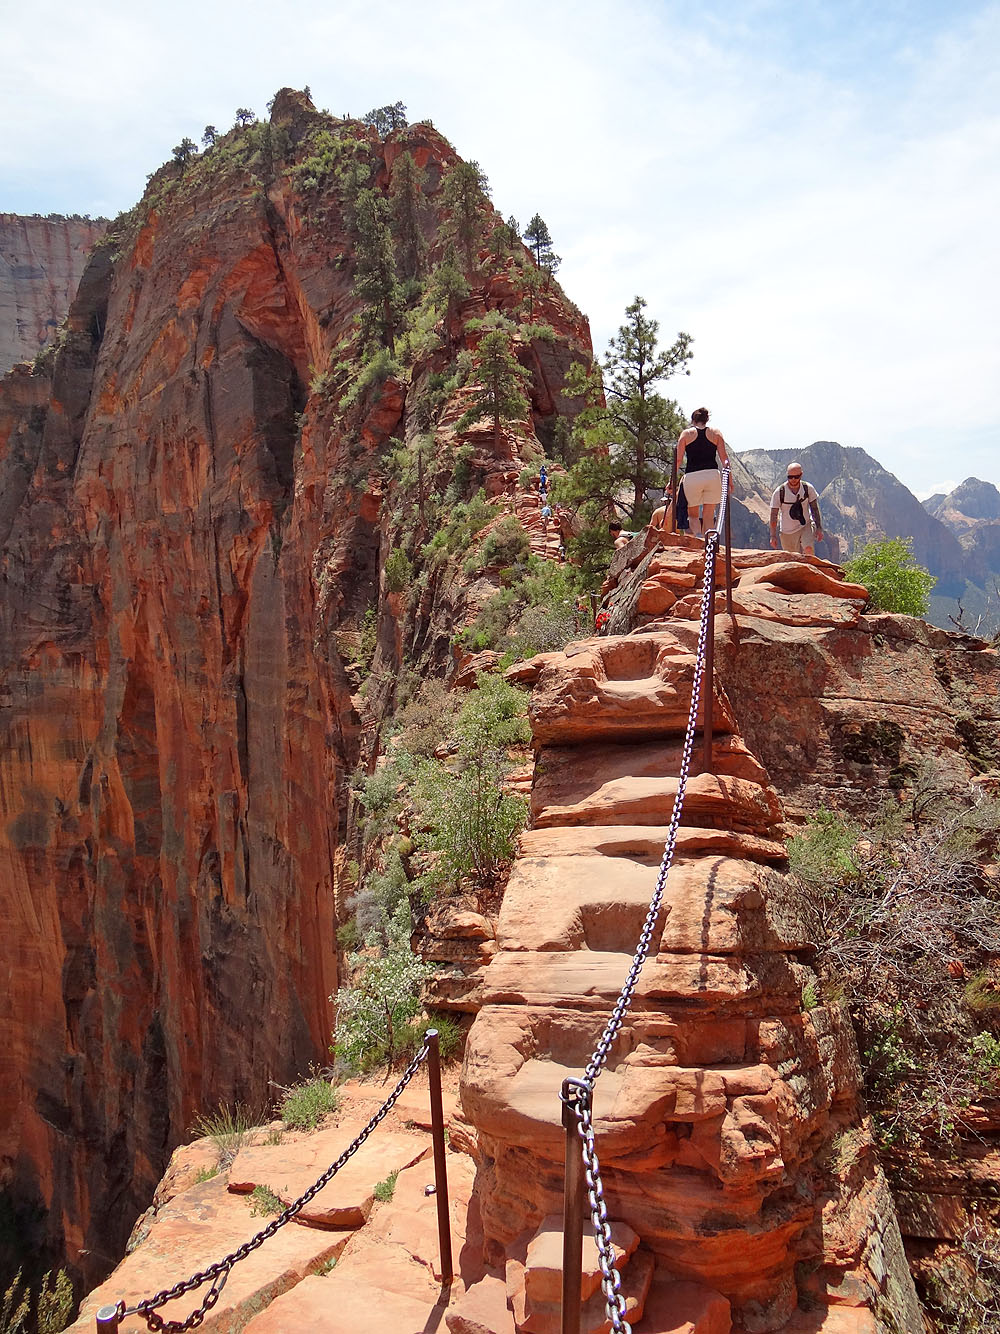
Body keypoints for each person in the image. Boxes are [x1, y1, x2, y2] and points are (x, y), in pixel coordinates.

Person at [675, 407, 728, 538]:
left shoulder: (686, 434)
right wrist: (729, 481)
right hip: (712, 476)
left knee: (693, 514)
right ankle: (708, 544)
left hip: (693, 476)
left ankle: (696, 541)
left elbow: (678, 459)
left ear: (693, 420)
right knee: (709, 515)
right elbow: (724, 459)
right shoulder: (716, 434)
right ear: (707, 419)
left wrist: (671, 482)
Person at [769, 462, 824, 555]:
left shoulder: (808, 488)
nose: (793, 479)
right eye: (790, 477)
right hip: (787, 532)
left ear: (801, 475)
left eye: (796, 477)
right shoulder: (779, 492)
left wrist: (819, 528)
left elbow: (814, 509)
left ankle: (810, 569)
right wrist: (773, 536)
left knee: (808, 549)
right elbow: (774, 515)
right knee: (793, 558)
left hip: (805, 525)